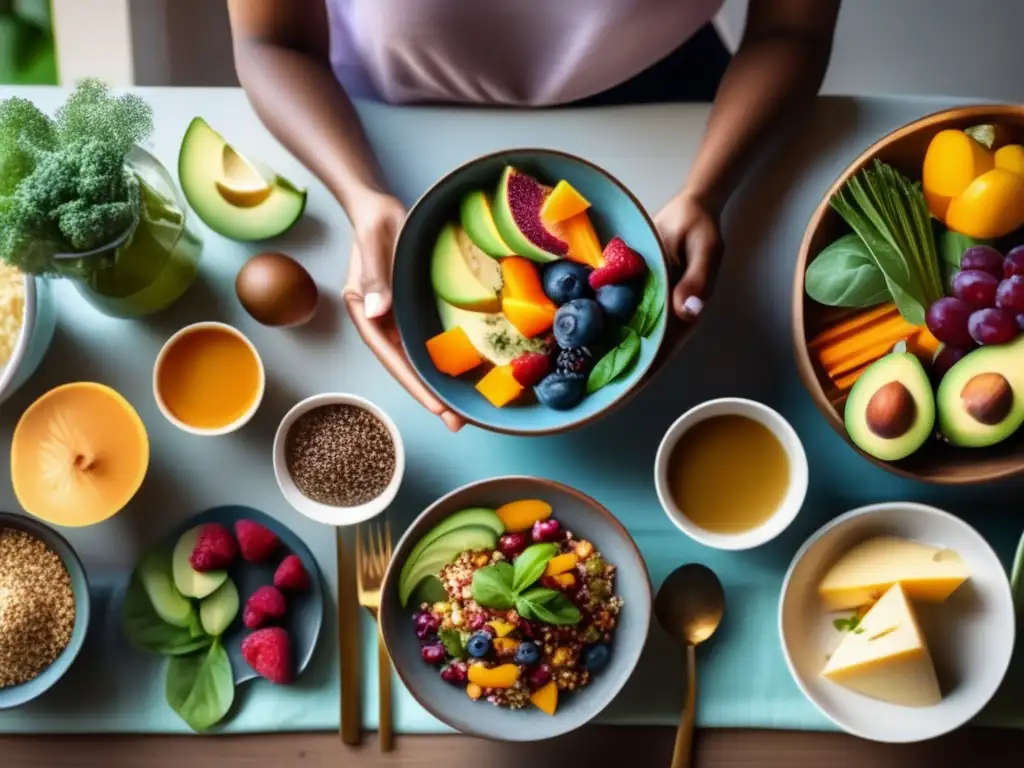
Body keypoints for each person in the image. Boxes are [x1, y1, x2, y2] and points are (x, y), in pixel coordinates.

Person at [227, 0, 841, 432]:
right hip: (392, 118)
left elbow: (792, 27)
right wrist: (361, 195)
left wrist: (705, 194)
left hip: (677, 106)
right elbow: (270, 41)